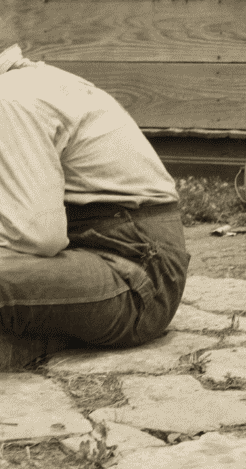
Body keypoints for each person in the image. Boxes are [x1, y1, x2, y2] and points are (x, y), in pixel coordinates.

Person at [0, 44, 189, 349]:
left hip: (136, 280)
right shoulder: (24, 83)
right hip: (100, 252)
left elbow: (36, 238)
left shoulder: (8, 99)